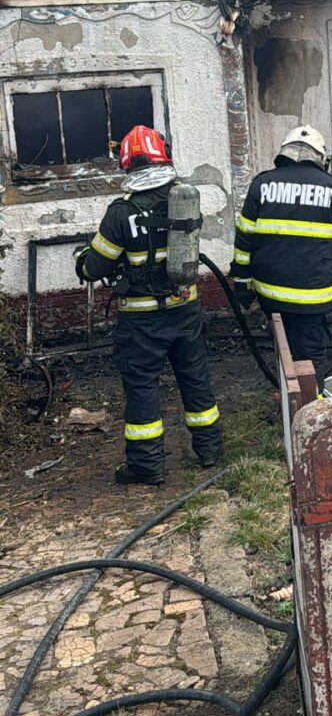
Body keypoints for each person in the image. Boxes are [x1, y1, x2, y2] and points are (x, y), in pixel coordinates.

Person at [75, 125, 223, 486]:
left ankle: (146, 466)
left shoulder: (119, 214)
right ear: (163, 156)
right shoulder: (182, 199)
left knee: (142, 386)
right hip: (185, 310)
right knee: (195, 378)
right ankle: (210, 451)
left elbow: (94, 267)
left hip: (141, 322)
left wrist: (82, 257)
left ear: (127, 164)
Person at [230, 124, 332, 375]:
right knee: (310, 363)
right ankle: (309, 407)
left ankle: (289, 397)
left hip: (269, 296)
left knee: (284, 351)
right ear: (320, 157)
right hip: (312, 300)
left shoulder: (261, 185)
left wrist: (242, 284)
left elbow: (244, 242)